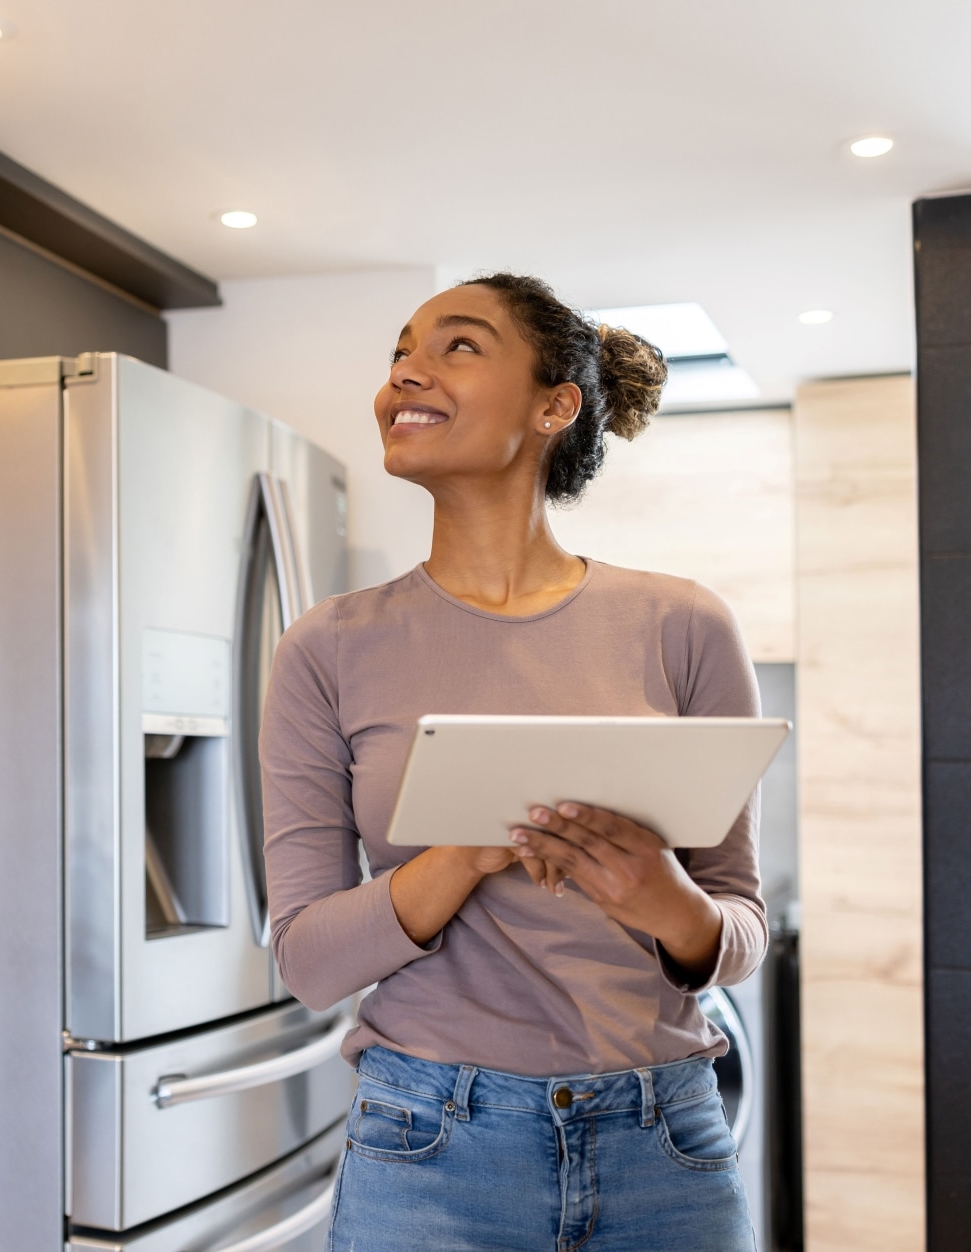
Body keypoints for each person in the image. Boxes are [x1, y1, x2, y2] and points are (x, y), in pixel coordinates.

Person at [261, 273, 763, 1251]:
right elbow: (307, 959)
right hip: (426, 1148)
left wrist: (660, 899)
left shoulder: (683, 626)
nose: (404, 368)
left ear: (552, 405)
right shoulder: (325, 647)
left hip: (660, 1144)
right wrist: (464, 853)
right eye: (399, 349)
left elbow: (738, 926)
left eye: (456, 345)